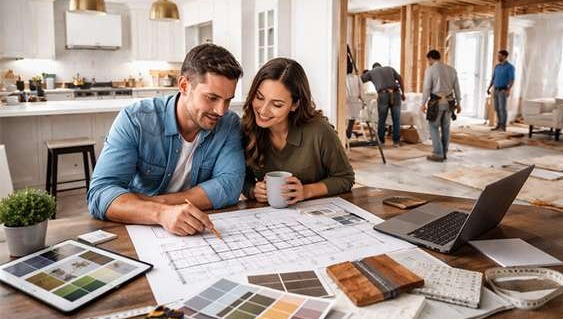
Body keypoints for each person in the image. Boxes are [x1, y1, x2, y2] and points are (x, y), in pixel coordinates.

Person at [87, 44, 245, 236]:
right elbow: (100, 193)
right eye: (212, 98)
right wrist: (161, 214)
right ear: (184, 86)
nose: (221, 110)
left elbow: (229, 186)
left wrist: (157, 202)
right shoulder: (135, 120)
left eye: (228, 100)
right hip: (140, 228)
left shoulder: (229, 124)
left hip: (196, 229)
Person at [242, 58, 355, 204]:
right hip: (268, 217)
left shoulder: (319, 131)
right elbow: (241, 179)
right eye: (259, 97)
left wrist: (307, 191)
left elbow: (345, 178)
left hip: (316, 213)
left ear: (294, 105)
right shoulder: (246, 128)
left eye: (277, 104)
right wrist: (253, 190)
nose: (263, 110)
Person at [420, 50, 461, 162]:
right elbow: (457, 88)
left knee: (433, 127)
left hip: (436, 104)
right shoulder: (452, 70)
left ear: (431, 58)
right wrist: (459, 103)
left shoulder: (430, 70)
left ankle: (438, 153)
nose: (428, 62)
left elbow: (427, 88)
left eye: (428, 60)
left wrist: (423, 103)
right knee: (446, 128)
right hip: (449, 103)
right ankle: (444, 153)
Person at [361, 62, 406, 147]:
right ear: (381, 66)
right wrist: (403, 93)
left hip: (383, 95)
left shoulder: (371, 72)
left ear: (373, 67)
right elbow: (400, 78)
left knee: (382, 119)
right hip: (396, 93)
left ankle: (381, 141)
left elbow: (359, 80)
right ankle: (396, 142)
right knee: (396, 119)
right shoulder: (389, 68)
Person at [487, 50, 515, 131]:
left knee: (502, 108)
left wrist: (508, 90)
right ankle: (498, 125)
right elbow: (493, 78)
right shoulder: (497, 66)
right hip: (495, 90)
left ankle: (503, 126)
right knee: (496, 108)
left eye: (500, 56)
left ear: (504, 56)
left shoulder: (510, 67)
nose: (498, 57)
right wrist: (489, 87)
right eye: (498, 55)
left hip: (503, 90)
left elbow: (512, 79)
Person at [345, 59, 365, 139]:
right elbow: (362, 91)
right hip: (355, 102)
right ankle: (348, 132)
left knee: (346, 117)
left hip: (346, 101)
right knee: (352, 118)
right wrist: (363, 101)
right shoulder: (357, 78)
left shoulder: (343, 78)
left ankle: (347, 133)